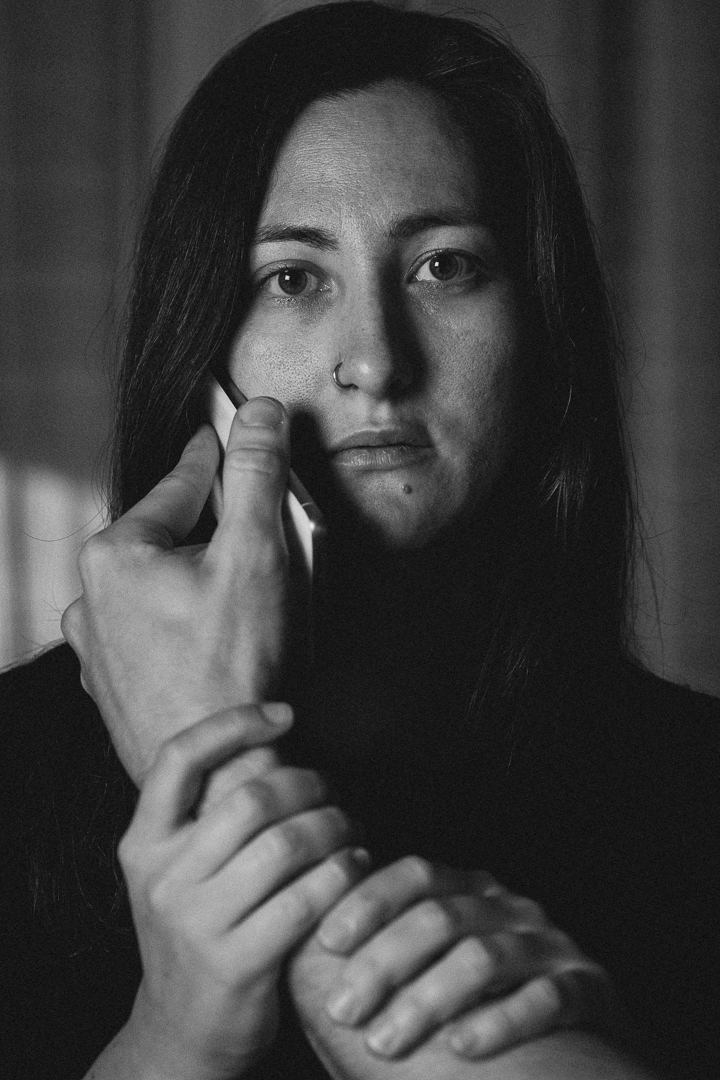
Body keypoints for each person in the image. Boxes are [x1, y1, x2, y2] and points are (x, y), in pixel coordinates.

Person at [1, 3, 717, 1078]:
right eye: (293, 279)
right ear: (202, 348)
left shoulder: (690, 797)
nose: (376, 362)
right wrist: (172, 1033)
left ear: (542, 331)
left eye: (445, 267)